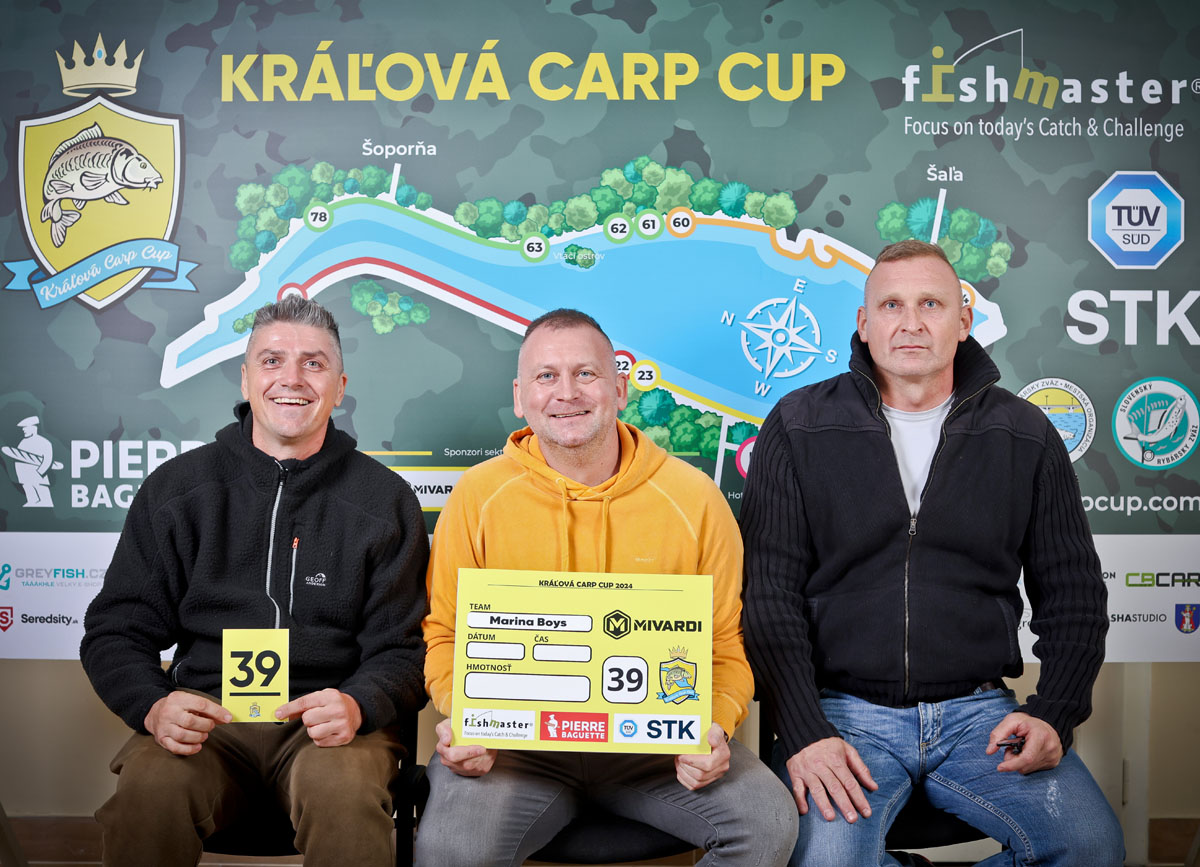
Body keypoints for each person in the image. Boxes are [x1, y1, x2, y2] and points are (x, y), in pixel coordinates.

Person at [740, 240, 1124, 867]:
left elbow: (1074, 595)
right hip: (842, 714)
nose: (910, 322)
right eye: (891, 305)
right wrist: (804, 730)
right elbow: (768, 597)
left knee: (1090, 847)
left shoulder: (1024, 433)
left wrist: (1055, 712)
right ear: (864, 324)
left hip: (980, 716)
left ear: (964, 320)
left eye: (931, 304)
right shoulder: (799, 423)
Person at [417, 309, 797, 866]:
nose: (566, 393)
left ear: (619, 388)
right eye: (546, 376)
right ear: (520, 398)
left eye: (586, 374)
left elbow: (724, 646)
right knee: (452, 849)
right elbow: (446, 635)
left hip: (655, 750)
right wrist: (465, 717)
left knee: (768, 822)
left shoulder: (695, 500)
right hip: (516, 750)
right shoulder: (477, 497)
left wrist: (715, 725)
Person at [80, 295, 428, 867]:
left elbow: (406, 648)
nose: (292, 379)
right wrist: (152, 706)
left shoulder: (384, 500)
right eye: (272, 361)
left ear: (340, 387)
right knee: (150, 788)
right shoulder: (177, 489)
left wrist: (359, 703)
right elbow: (116, 630)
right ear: (245, 379)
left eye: (313, 363)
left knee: (343, 793)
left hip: (330, 723)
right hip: (210, 718)